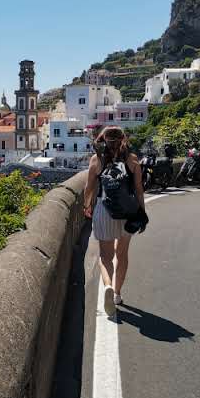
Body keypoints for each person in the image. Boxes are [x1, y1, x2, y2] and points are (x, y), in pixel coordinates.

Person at [83, 126, 146, 310]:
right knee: (122, 254)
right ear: (123, 140)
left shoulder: (97, 159)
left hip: (105, 210)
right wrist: (141, 211)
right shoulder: (133, 159)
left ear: (103, 140)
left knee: (105, 256)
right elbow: (139, 189)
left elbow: (88, 188)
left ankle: (108, 286)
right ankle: (117, 294)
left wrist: (86, 206)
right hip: (128, 211)